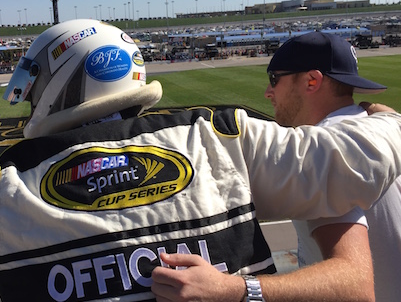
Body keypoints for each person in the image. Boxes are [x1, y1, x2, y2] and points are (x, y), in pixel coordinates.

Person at [0, 20, 401, 302]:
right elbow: (363, 160)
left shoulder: (2, 188)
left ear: (58, 86)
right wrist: (382, 115)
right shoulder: (220, 138)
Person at [150, 32, 398, 302]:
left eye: (274, 79)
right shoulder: (377, 131)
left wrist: (237, 290)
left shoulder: (314, 159)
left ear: (312, 81)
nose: (268, 92)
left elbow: (355, 287)